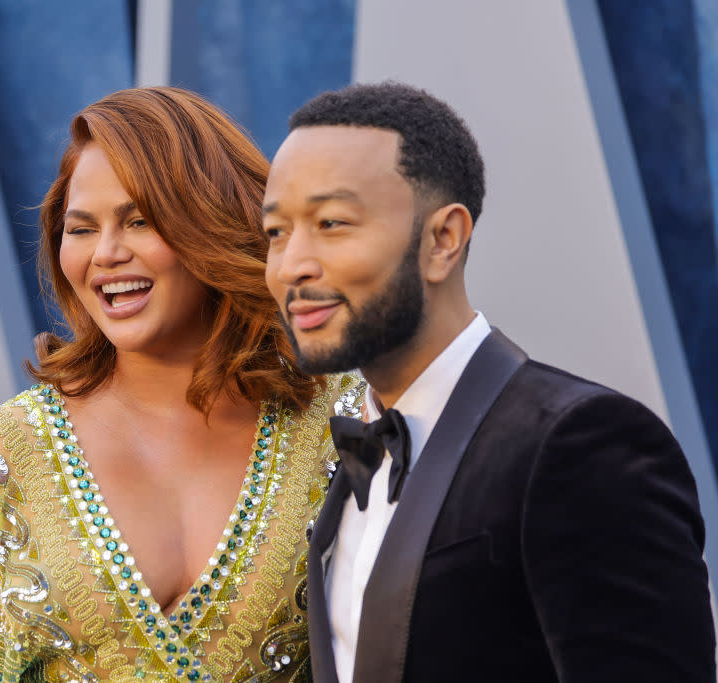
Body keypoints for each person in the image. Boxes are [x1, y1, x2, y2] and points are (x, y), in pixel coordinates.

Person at [0, 87, 363, 683]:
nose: (107, 254)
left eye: (140, 220)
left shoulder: (342, 425)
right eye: (81, 229)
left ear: (213, 224)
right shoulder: (5, 456)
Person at [261, 81, 716, 683]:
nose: (292, 265)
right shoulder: (347, 464)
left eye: (333, 223)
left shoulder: (580, 443)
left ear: (443, 240)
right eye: (275, 233)